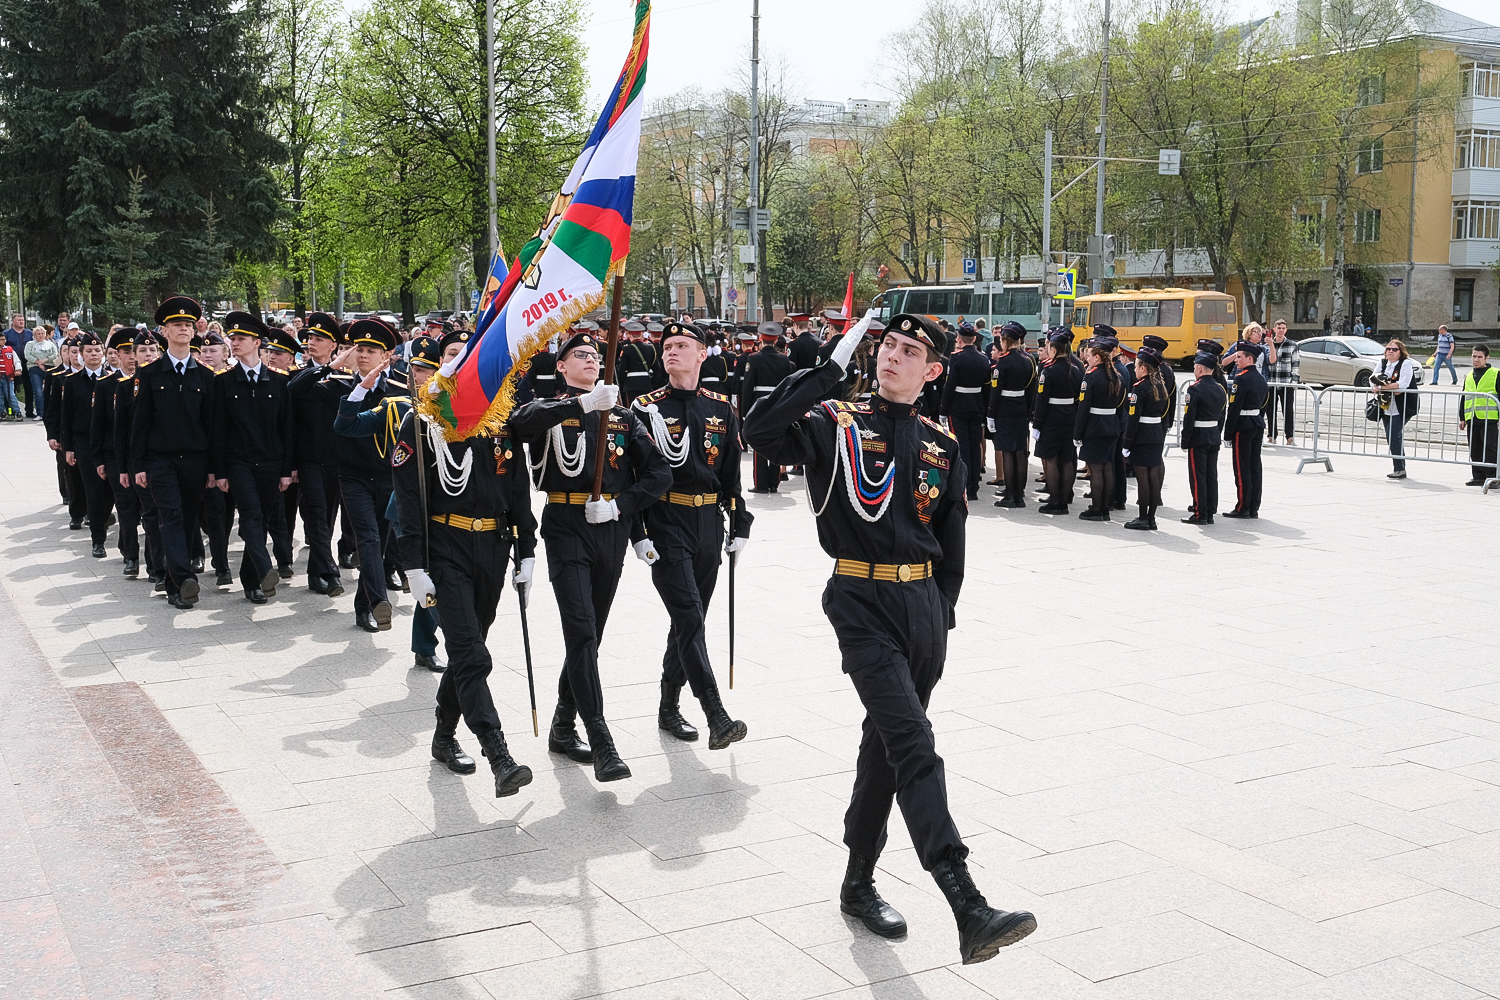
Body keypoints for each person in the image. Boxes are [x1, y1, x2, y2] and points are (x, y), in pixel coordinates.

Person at [744, 310, 1036, 965]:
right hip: (860, 598)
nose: (892, 358)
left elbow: (952, 541)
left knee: (886, 751)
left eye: (909, 352)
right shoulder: (835, 422)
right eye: (887, 347)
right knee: (913, 742)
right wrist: (823, 374)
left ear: (933, 370)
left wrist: (942, 611)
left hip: (922, 607)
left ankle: (856, 883)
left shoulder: (942, 443)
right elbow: (758, 429)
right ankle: (966, 901)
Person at [509, 330, 672, 784]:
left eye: (595, 356)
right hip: (565, 526)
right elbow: (521, 422)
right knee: (580, 632)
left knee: (591, 635)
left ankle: (562, 725)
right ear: (560, 366)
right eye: (579, 356)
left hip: (610, 528)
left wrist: (624, 506)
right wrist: (581, 404)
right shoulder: (554, 408)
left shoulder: (623, 416)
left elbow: (659, 473)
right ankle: (600, 737)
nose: (590, 361)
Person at [387, 339, 540, 798]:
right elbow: (408, 503)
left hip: (492, 548)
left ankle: (442, 734)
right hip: (444, 549)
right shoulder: (422, 425)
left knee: (469, 650)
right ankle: (499, 754)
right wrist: (413, 567)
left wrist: (527, 550)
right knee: (473, 654)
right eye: (455, 360)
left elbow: (518, 494)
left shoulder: (501, 425)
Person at [630, 321, 753, 751]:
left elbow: (731, 475)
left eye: (682, 345)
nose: (671, 352)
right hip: (666, 522)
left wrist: (739, 523)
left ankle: (667, 705)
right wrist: (637, 532)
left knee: (689, 621)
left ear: (704, 354)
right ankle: (715, 713)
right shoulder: (644, 408)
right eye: (667, 346)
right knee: (688, 618)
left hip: (707, 524)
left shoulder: (721, 408)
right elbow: (633, 476)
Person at [319, 318, 407, 632]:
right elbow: (299, 388)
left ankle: (363, 606)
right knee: (367, 538)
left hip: (388, 476)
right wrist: (333, 366)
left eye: (371, 350)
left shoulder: (400, 385)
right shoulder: (341, 384)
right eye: (359, 349)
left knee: (380, 542)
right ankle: (377, 600)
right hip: (353, 475)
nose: (363, 355)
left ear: (386, 355)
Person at [131, 297, 217, 609]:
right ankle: (183, 578)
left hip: (195, 460)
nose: (183, 328)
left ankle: (173, 583)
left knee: (188, 517)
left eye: (188, 325)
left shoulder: (205, 376)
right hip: (160, 459)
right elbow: (139, 424)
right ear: (164, 332)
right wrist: (137, 463)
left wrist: (212, 468)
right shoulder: (150, 374)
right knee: (170, 515)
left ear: (194, 332)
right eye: (176, 325)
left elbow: (211, 427)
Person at [211, 312, 294, 603]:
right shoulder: (224, 381)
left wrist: (287, 470)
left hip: (271, 462)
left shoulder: (279, 381)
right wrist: (219, 471)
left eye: (240, 339)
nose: (234, 343)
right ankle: (264, 567)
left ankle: (251, 581)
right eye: (231, 338)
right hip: (239, 462)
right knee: (250, 515)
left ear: (257, 343)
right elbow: (218, 431)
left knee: (263, 518)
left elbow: (287, 429)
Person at [288, 313, 346, 597]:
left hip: (335, 458)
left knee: (328, 517)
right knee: (315, 515)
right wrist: (327, 369)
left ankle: (315, 574)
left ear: (333, 345)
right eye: (310, 338)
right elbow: (295, 389)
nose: (312, 342)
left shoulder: (345, 379)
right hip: (308, 457)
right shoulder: (299, 374)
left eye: (319, 339)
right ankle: (331, 574)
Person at [90, 328, 143, 575]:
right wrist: (98, 458)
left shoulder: (150, 380)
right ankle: (132, 556)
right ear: (117, 355)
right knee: (126, 505)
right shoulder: (106, 385)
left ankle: (148, 556)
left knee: (148, 509)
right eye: (126, 352)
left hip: (146, 456)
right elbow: (98, 424)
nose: (132, 357)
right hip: (115, 456)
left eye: (135, 352)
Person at [60, 331, 117, 558]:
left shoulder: (113, 379)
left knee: (111, 492)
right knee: (94, 491)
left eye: (97, 350)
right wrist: (68, 447)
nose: (94, 354)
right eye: (89, 351)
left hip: (108, 442)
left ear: (103, 354)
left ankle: (103, 521)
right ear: (81, 355)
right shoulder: (72, 382)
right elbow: (66, 417)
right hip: (84, 443)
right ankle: (98, 539)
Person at [1073, 336, 1126, 522]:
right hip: (1111, 424)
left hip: (1095, 426)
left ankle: (1096, 508)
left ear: (1097, 357)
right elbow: (1120, 406)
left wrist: (1078, 433)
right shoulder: (1115, 375)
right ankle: (1105, 507)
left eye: (1090, 355)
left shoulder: (1091, 376)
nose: (1087, 358)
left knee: (1096, 469)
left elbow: (1083, 407)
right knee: (1107, 467)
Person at [1033, 329, 1083, 514]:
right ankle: (1064, 499)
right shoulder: (1076, 370)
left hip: (1051, 419)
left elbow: (1041, 400)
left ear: (1054, 349)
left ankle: (1055, 502)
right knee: (1067, 459)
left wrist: (1037, 424)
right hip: (1070, 416)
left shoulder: (1049, 371)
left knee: (1051, 459)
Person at [739, 322, 793, 493]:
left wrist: (745, 412)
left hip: (758, 406)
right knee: (776, 442)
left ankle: (761, 484)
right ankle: (774, 482)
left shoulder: (754, 358)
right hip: (777, 406)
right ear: (776, 339)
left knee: (758, 444)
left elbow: (747, 387)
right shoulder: (784, 360)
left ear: (761, 339)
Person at [988, 322, 1037, 508]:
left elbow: (995, 391)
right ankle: (1019, 495)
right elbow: (1031, 390)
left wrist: (991, 414)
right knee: (1020, 453)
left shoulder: (1004, 362)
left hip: (1004, 411)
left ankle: (1010, 495)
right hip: (1021, 411)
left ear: (1006, 341)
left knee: (1008, 453)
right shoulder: (1028, 360)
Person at [939, 323, 990, 501]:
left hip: (958, 406)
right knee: (975, 446)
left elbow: (949, 385)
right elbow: (986, 388)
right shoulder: (984, 359)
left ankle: (963, 485)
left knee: (961, 446)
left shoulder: (956, 358)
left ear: (959, 340)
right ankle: (973, 486)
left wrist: (943, 410)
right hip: (976, 406)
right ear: (974, 339)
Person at [1122, 347, 1170, 530]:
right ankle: (1151, 518)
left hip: (1141, 436)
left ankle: (1142, 517)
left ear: (1143, 368)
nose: (1134, 370)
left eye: (1136, 366)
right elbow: (1164, 415)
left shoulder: (1139, 388)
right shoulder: (1160, 386)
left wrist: (1127, 443)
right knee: (1153, 476)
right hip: (1156, 434)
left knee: (1142, 478)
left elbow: (1133, 420)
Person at [1180, 351, 1227, 525]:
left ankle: (1200, 513)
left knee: (1198, 475)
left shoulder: (1195, 389)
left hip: (1198, 437)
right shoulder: (1220, 388)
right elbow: (1222, 414)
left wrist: (1186, 439)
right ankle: (1210, 510)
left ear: (1199, 369)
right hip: (1213, 435)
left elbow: (1189, 417)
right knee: (1210, 474)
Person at [1222, 341, 1268, 518]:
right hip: (1256, 423)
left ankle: (1242, 507)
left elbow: (1234, 408)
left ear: (1250, 359)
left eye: (1239, 357)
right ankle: (1254, 506)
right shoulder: (1261, 378)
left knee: (1242, 468)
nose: (1236, 360)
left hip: (1243, 426)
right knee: (1255, 467)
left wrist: (1228, 433)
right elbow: (1264, 404)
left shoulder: (1241, 379)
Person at [1370, 338, 1421, 481]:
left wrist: (1381, 387)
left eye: (1394, 349)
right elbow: (1372, 379)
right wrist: (1388, 387)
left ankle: (1399, 468)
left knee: (1394, 434)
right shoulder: (1382, 363)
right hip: (1385, 405)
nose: (1390, 352)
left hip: (1403, 406)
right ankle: (1399, 467)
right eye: (1388, 349)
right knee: (1391, 436)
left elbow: (1402, 384)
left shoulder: (1405, 363)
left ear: (1401, 352)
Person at [1460, 344, 1498, 486]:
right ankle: (1478, 476)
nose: (1476, 360)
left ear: (1487, 358)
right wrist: (1462, 417)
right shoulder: (1469, 375)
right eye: (1474, 356)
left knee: (1490, 448)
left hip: (1490, 419)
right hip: (1473, 418)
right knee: (1475, 448)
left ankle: (1493, 477)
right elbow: (1464, 397)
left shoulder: (1495, 373)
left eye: (1479, 357)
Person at [1265, 319, 1300, 446]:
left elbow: (1296, 364)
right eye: (1279, 328)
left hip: (1286, 383)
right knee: (1270, 411)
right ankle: (1271, 436)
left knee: (1288, 411)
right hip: (1271, 383)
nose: (1281, 330)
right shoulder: (1268, 345)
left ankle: (1290, 437)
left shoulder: (1292, 345)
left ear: (1286, 330)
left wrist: (1294, 383)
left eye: (1283, 328)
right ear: (1274, 330)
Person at [25, 324, 59, 422]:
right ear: (34, 335)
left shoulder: (51, 344)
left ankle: (49, 412)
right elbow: (28, 355)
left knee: (48, 391)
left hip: (49, 367)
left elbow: (55, 354)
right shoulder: (30, 344)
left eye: (42, 333)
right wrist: (38, 362)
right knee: (38, 392)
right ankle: (40, 413)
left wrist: (45, 360)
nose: (40, 335)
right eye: (38, 334)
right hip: (34, 368)